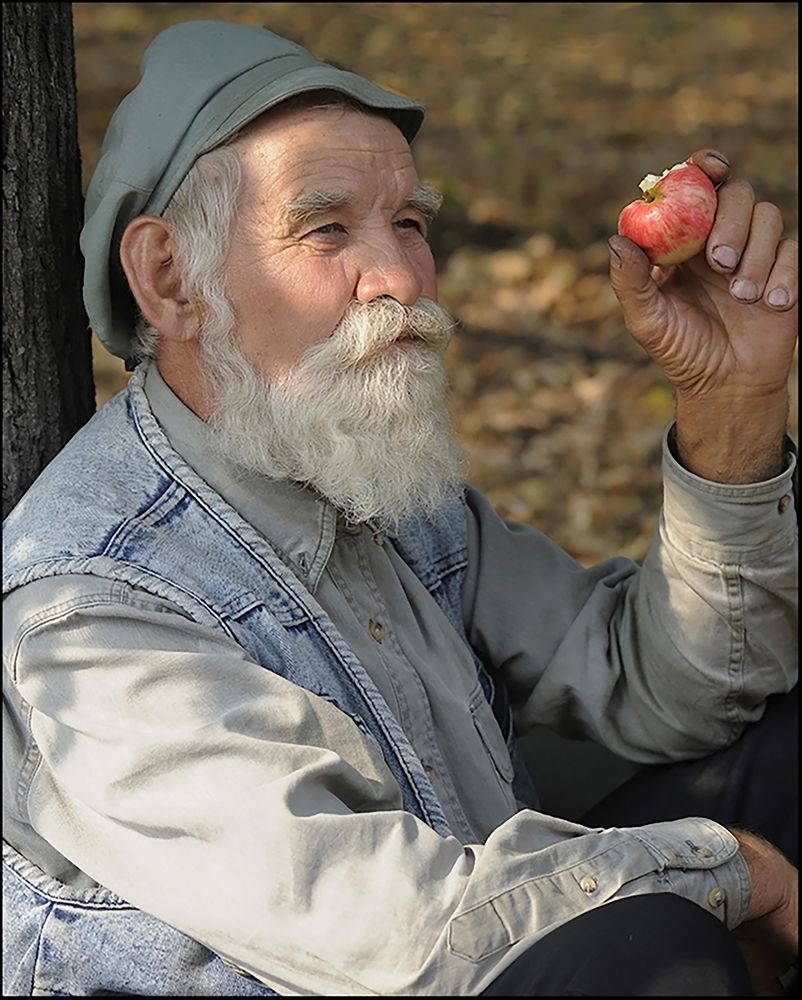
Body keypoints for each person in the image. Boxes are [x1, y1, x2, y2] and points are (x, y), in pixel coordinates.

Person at [2, 18, 797, 998]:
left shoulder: (356, 470)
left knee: (781, 746)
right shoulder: (88, 606)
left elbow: (670, 686)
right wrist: (726, 869)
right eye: (327, 227)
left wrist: (732, 406)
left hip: (468, 925)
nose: (402, 278)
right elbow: (385, 927)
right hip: (399, 958)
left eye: (410, 223)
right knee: (650, 955)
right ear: (170, 277)